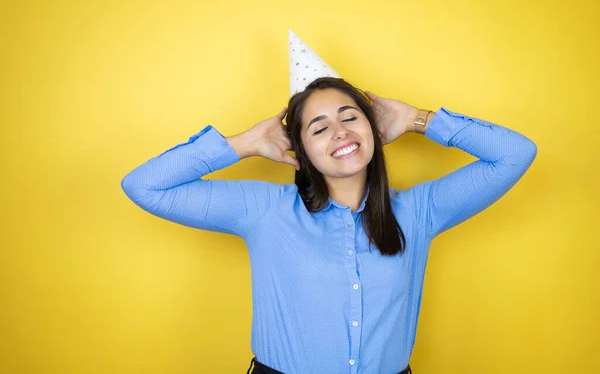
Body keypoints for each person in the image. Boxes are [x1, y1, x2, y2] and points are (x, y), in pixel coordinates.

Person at [121, 76, 537, 374]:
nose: (339, 132)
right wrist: (245, 143)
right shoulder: (265, 210)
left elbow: (516, 153)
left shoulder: (419, 211)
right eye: (319, 128)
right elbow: (144, 186)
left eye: (350, 117)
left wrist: (418, 119)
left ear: (374, 129)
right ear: (299, 151)